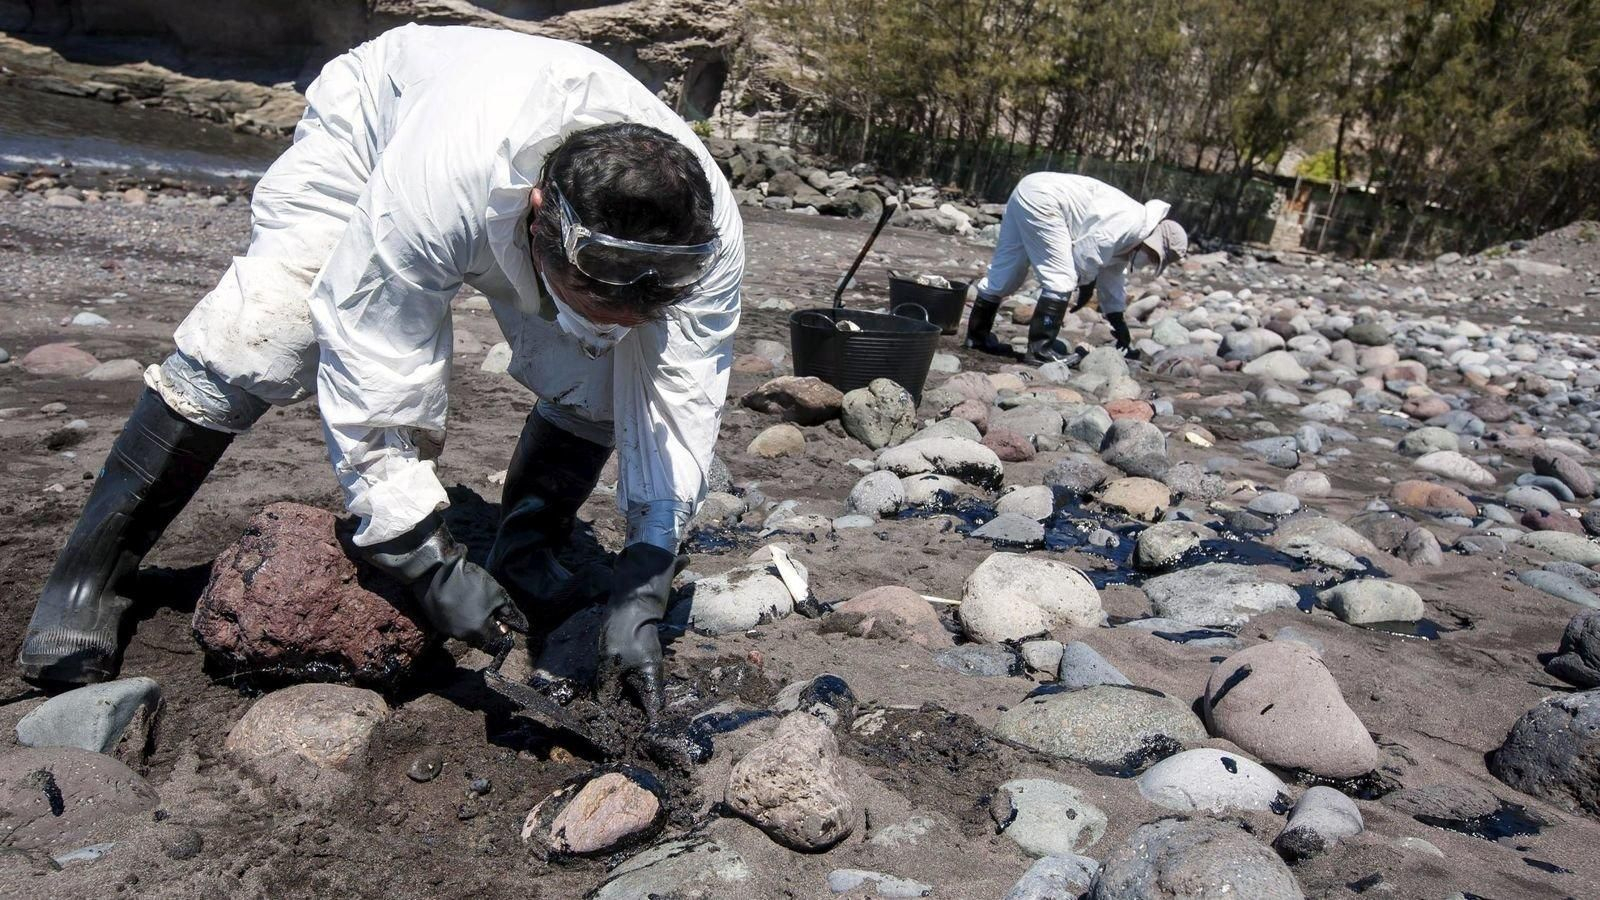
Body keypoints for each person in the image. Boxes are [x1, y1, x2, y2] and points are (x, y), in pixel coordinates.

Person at [16, 24, 744, 721]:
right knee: (263, 333)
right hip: (382, 127)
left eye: (645, 305)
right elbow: (375, 352)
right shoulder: (442, 180)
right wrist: (422, 555)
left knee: (604, 374)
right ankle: (90, 575)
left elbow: (680, 405)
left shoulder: (704, 238)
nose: (625, 319)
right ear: (537, 219)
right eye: (602, 298)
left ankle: (527, 552)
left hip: (515, 180)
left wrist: (643, 587)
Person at [963, 173, 1187, 361]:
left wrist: (1117, 320)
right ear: (1150, 240)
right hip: (1046, 200)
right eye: (1152, 256)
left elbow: (1112, 276)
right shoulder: (1128, 223)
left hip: (1028, 190)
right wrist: (1086, 283)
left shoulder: (1132, 238)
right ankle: (1040, 351)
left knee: (1006, 273)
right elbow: (1086, 254)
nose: (1149, 261)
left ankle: (976, 337)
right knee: (1061, 279)